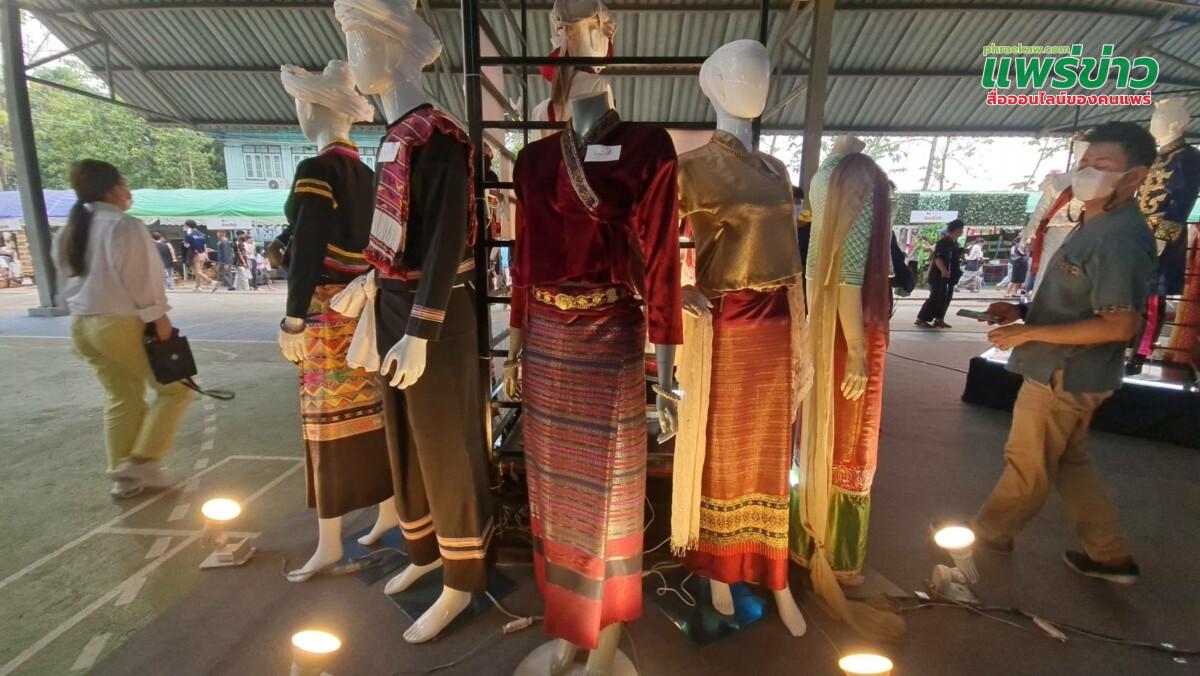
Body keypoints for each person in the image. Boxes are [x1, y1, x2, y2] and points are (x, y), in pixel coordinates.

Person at [972, 121, 1157, 584]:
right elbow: (1078, 299)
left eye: (1103, 164)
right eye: (1084, 162)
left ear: (1135, 176)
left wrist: (1029, 334)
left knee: (1028, 463)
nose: (1088, 172)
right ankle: (1109, 554)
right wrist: (1021, 311)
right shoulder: (1093, 223)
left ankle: (987, 538)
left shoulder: (1118, 237)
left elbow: (1120, 324)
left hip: (1066, 373)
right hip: (1065, 368)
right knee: (1069, 462)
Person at [53, 160, 193, 499]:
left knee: (122, 397)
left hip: (83, 326)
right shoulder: (124, 226)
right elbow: (143, 282)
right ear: (113, 188)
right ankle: (143, 461)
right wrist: (160, 322)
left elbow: (64, 284)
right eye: (125, 184)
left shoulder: (70, 230)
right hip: (120, 325)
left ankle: (123, 476)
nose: (128, 191)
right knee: (176, 390)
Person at [915, 219, 964, 328]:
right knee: (936, 296)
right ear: (956, 230)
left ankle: (939, 318)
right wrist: (943, 270)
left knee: (946, 297)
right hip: (939, 275)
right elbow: (937, 257)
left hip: (950, 276)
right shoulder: (943, 242)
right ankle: (921, 318)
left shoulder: (954, 243)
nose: (962, 231)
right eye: (961, 229)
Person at [182, 220, 213, 291]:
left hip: (196, 254)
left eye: (185, 225)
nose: (184, 227)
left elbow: (186, 245)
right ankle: (198, 286)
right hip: (203, 254)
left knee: (197, 271)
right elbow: (205, 245)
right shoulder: (202, 234)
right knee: (199, 271)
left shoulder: (189, 234)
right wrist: (206, 255)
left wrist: (185, 243)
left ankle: (211, 281)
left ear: (188, 226)